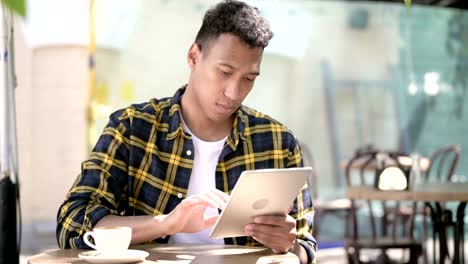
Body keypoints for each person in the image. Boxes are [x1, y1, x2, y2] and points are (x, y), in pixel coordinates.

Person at [56, 1, 317, 263]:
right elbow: (73, 222)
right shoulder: (132, 129)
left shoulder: (277, 142)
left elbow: (307, 248)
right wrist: (166, 224)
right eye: (225, 72)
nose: (234, 92)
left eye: (249, 78)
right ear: (194, 56)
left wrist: (291, 246)